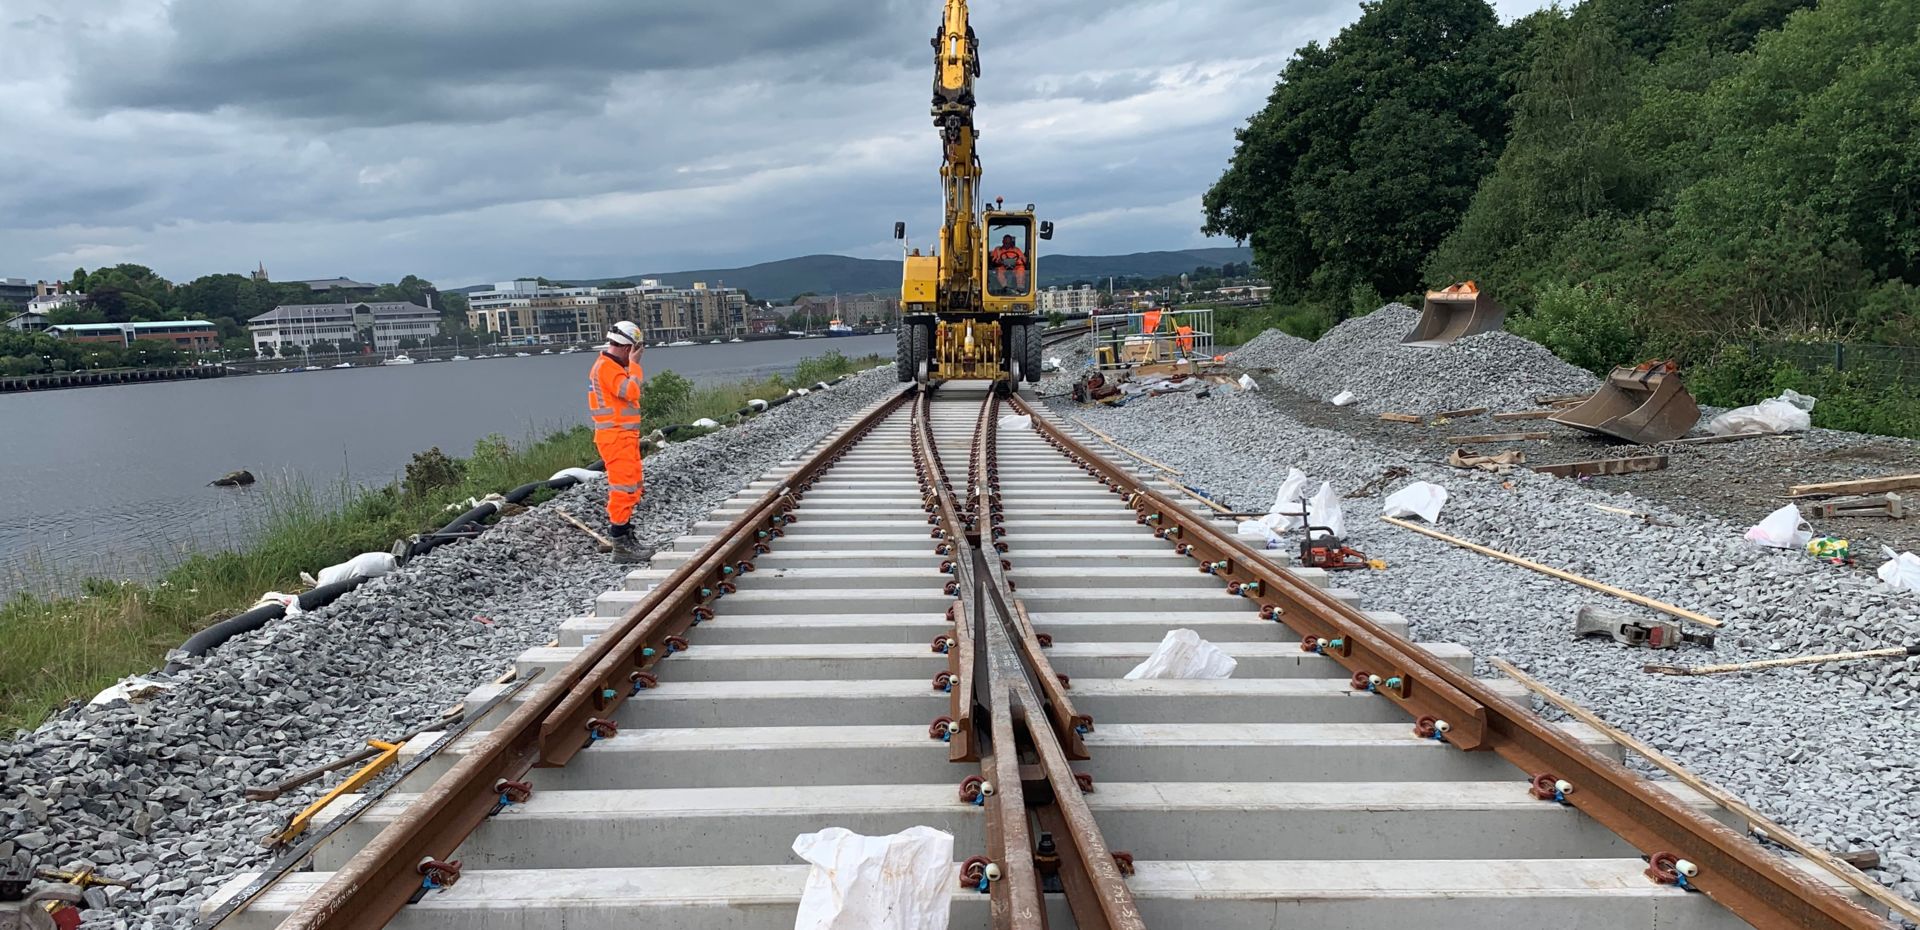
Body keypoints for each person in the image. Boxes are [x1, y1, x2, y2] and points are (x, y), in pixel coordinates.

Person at [588, 321, 652, 562]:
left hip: (623, 437)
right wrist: (635, 366)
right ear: (628, 348)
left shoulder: (611, 366)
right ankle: (621, 544)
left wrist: (630, 367)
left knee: (632, 487)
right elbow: (631, 392)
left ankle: (625, 535)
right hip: (615, 438)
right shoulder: (607, 368)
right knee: (623, 490)